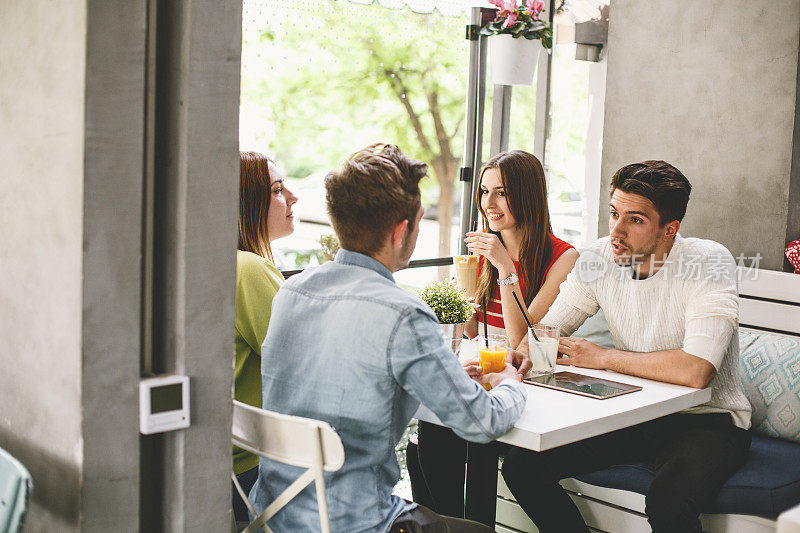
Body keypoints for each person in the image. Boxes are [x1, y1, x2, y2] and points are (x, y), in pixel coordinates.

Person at [247, 144, 528, 532]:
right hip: (359, 524)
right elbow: (482, 424)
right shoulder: (403, 314)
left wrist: (444, 374)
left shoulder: (292, 292)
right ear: (402, 230)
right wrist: (511, 384)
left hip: (272, 518)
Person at [501, 160, 753, 533]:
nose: (616, 231)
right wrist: (520, 356)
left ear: (670, 229)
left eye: (635, 220)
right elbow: (547, 330)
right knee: (523, 466)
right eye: (614, 213)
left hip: (707, 422)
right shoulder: (600, 257)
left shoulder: (708, 262)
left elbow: (696, 370)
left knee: (668, 503)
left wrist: (602, 358)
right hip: (633, 413)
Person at [410, 150, 579, 525]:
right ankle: (455, 526)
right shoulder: (484, 251)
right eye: (484, 192)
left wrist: (506, 267)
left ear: (527, 195)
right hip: (486, 371)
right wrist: (459, 300)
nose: (488, 203)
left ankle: (461, 526)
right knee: (430, 432)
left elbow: (523, 342)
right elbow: (471, 332)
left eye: (501, 192)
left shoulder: (563, 257)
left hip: (528, 379)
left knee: (452, 431)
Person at [231, 151, 298, 523]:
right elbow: (307, 367)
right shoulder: (250, 269)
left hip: (235, 468)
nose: (292, 197)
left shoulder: (235, 263)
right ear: (247, 201)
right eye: (276, 189)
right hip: (258, 475)